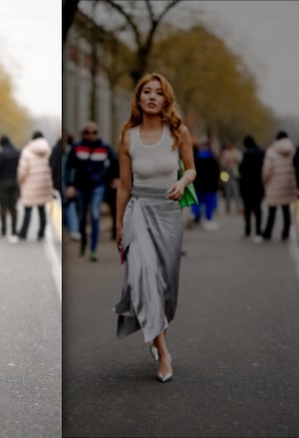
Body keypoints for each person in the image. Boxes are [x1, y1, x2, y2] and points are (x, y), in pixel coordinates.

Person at [113, 73, 195, 383]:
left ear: (165, 100)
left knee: (166, 289)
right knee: (144, 276)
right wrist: (120, 226)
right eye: (146, 91)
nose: (151, 97)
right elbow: (124, 186)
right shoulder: (127, 136)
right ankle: (163, 351)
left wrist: (183, 181)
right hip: (139, 212)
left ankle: (156, 326)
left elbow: (191, 169)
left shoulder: (178, 132)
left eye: (158, 93)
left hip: (169, 214)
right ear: (138, 98)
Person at [65, 121, 117, 261]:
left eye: (94, 132)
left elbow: (115, 161)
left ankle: (93, 249)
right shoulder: (77, 147)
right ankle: (83, 243)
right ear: (83, 133)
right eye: (87, 132)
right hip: (81, 186)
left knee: (95, 214)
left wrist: (113, 178)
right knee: (82, 217)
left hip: (98, 186)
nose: (91, 135)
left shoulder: (104, 146)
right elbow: (69, 167)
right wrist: (70, 185)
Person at [13, 131, 53, 243]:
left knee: (27, 210)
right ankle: (41, 233)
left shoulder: (27, 152)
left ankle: (23, 233)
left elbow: (22, 171)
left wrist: (20, 182)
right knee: (42, 210)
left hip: (29, 185)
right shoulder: (48, 150)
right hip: (44, 185)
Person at [261, 131, 298, 242]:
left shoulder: (271, 152)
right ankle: (285, 233)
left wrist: (264, 181)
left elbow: (267, 170)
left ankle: (268, 232)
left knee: (272, 210)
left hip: (274, 185)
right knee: (286, 210)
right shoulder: (293, 151)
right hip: (288, 185)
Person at [238, 135, 265, 242]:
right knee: (258, 208)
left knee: (247, 208)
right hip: (258, 185)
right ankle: (258, 231)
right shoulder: (262, 153)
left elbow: (240, 170)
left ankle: (248, 230)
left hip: (246, 185)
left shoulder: (244, 154)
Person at [190, 140, 221, 230]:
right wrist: (216, 182)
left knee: (196, 202)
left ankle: (193, 214)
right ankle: (208, 219)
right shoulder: (213, 159)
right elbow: (217, 173)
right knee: (209, 204)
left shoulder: (197, 159)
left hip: (199, 185)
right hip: (210, 186)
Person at [0, 135, 20, 241]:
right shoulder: (17, 152)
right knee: (13, 207)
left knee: (3, 207)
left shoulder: (2, 153)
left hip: (3, 182)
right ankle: (14, 231)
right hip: (15, 182)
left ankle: (4, 230)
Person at [220, 141, 242, 214]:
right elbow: (222, 162)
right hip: (227, 172)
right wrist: (227, 163)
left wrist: (234, 161)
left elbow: (238, 161)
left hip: (234, 172)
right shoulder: (225, 152)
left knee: (235, 190)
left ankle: (238, 207)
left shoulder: (236, 152)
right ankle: (228, 208)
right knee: (228, 190)